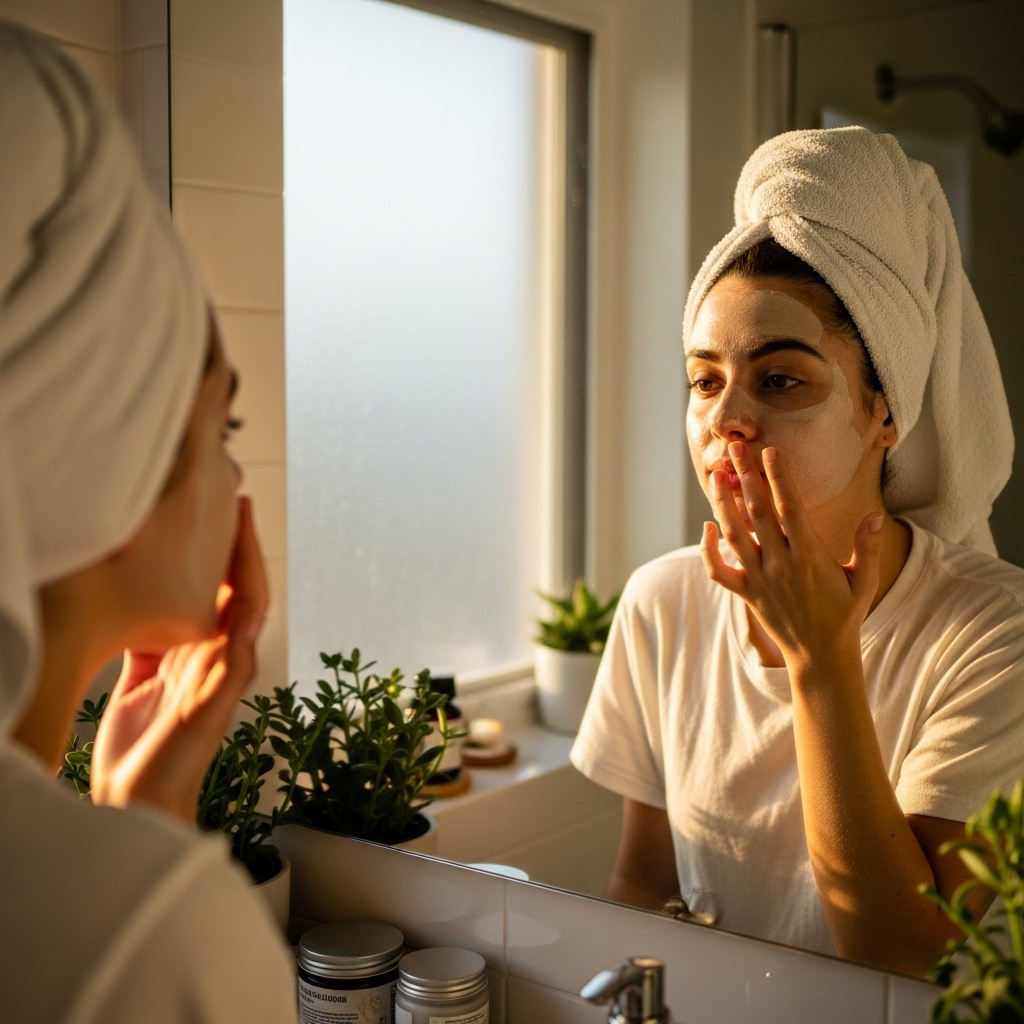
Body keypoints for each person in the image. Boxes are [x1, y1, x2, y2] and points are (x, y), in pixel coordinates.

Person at [571, 126, 1024, 978]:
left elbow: (904, 959)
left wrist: (822, 661)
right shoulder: (661, 603)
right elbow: (641, 882)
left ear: (883, 414)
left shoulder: (995, 635)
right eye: (705, 380)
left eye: (780, 379)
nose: (725, 421)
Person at [0, 21, 297, 1023]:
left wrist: (140, 819)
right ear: (110, 457)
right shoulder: (146, 933)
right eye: (227, 422)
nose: (236, 476)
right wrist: (145, 871)